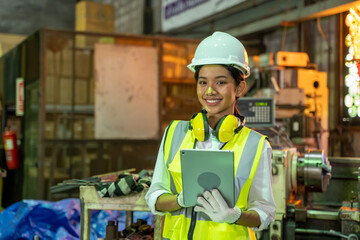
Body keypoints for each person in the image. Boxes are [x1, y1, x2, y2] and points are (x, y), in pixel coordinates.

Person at [145, 31, 276, 240]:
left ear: (240, 87)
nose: (209, 91)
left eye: (221, 82)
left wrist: (234, 216)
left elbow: (265, 214)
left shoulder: (256, 145)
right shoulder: (174, 133)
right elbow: (154, 197)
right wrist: (179, 200)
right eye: (203, 82)